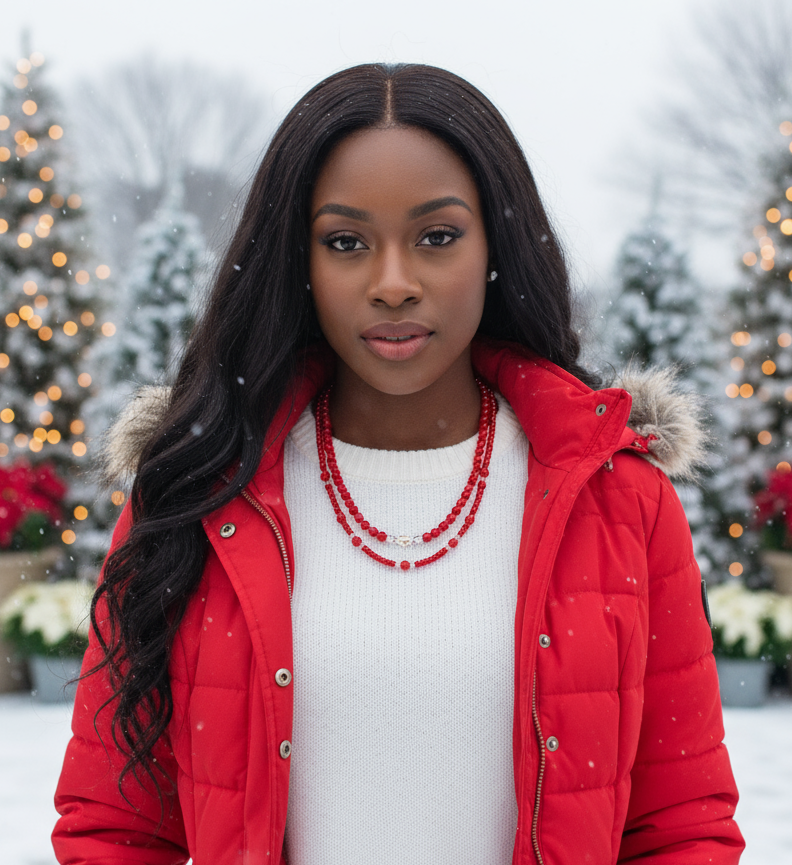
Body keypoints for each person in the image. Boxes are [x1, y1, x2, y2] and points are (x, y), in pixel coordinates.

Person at [53, 63, 744, 864]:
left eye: (437, 237)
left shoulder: (620, 499)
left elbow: (682, 827)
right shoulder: (195, 495)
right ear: (299, 261)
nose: (393, 284)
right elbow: (114, 829)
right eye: (346, 242)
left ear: (496, 247)